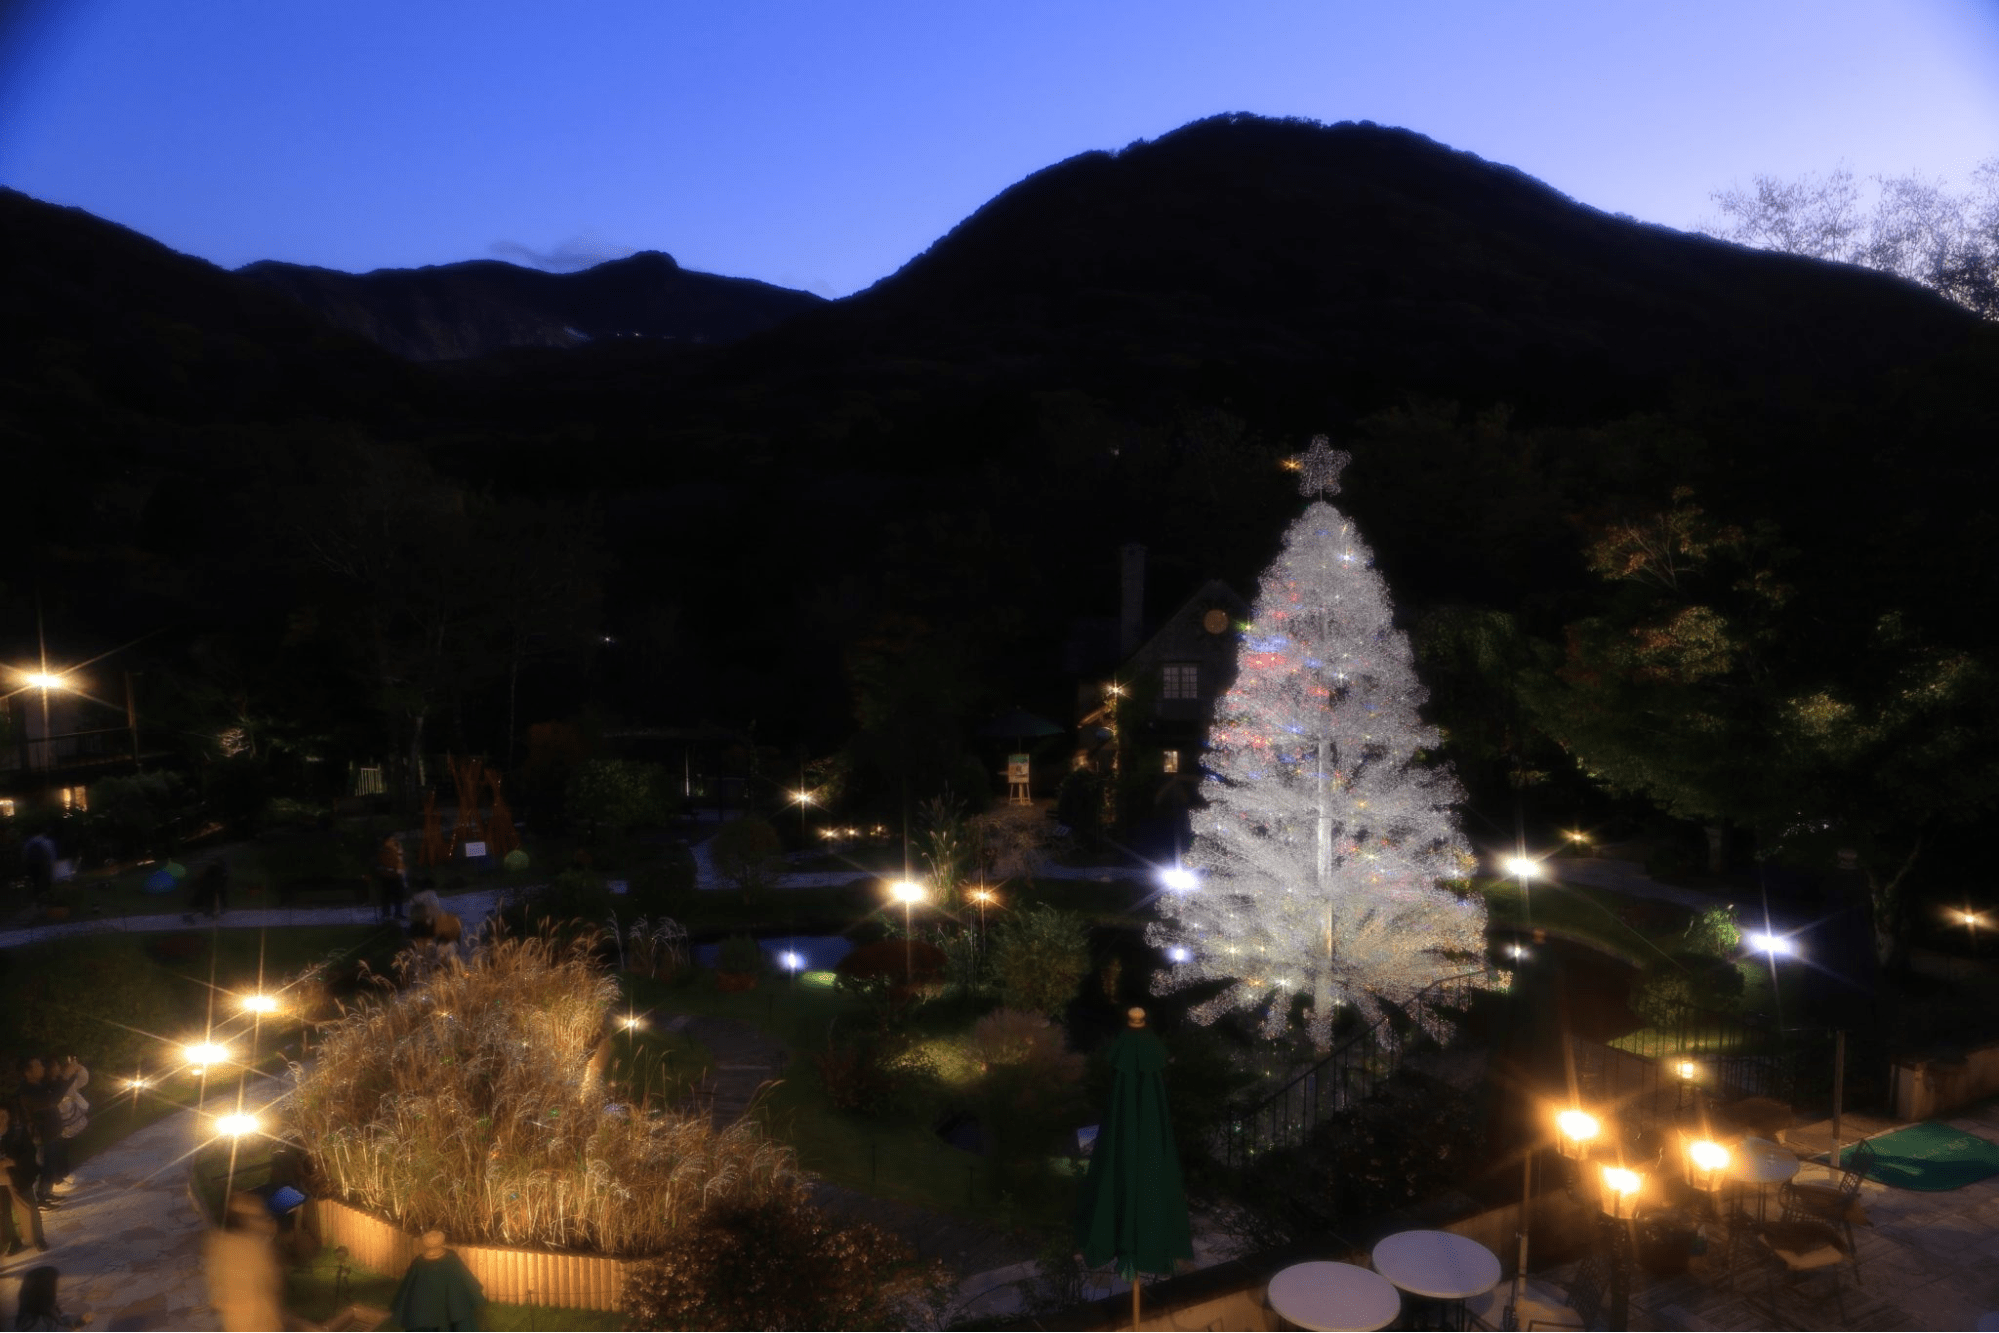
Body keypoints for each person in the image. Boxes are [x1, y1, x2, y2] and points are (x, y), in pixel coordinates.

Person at [202, 1191, 283, 1333]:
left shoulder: (217, 1243)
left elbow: (214, 1286)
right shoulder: (255, 1246)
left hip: (236, 1318)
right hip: (258, 1318)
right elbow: (271, 1280)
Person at [390, 1228, 483, 1331]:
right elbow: (465, 1278)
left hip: (427, 1310)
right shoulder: (450, 1258)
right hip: (450, 1307)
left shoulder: (420, 1262)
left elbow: (409, 1286)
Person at [14, 1058, 75, 1207]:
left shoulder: (38, 1085)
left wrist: (69, 1075)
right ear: (28, 1072)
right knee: (46, 1167)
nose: (42, 1067)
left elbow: (57, 1089)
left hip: (51, 1133)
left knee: (51, 1166)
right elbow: (53, 1099)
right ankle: (40, 1198)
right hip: (43, 1136)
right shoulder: (27, 1092)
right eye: (38, 1065)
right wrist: (66, 1077)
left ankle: (46, 1193)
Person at [0, 1106, 47, 1254]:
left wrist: (13, 1162)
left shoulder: (18, 1132)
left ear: (8, 1116)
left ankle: (38, 1238)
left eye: (3, 1116)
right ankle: (14, 1241)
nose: (1, 1119)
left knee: (31, 1208)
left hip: (19, 1178)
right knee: (5, 1215)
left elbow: (30, 1152)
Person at [11, 1266, 91, 1331]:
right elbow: (60, 1328)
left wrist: (80, 1321)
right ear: (45, 1289)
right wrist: (78, 1325)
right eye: (53, 1285)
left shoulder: (39, 1306)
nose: (56, 1288)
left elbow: (60, 1320)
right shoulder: (38, 1322)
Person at [376, 835, 408, 923]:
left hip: (396, 876)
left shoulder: (396, 851)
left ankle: (397, 913)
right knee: (386, 897)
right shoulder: (382, 852)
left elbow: (401, 860)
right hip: (386, 877)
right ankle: (386, 914)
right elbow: (380, 864)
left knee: (398, 896)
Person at [19, 833, 55, 906]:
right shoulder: (47, 841)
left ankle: (37, 898)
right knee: (45, 881)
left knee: (36, 882)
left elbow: (25, 853)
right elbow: (51, 854)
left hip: (32, 865)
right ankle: (45, 898)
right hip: (43, 865)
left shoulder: (30, 841)